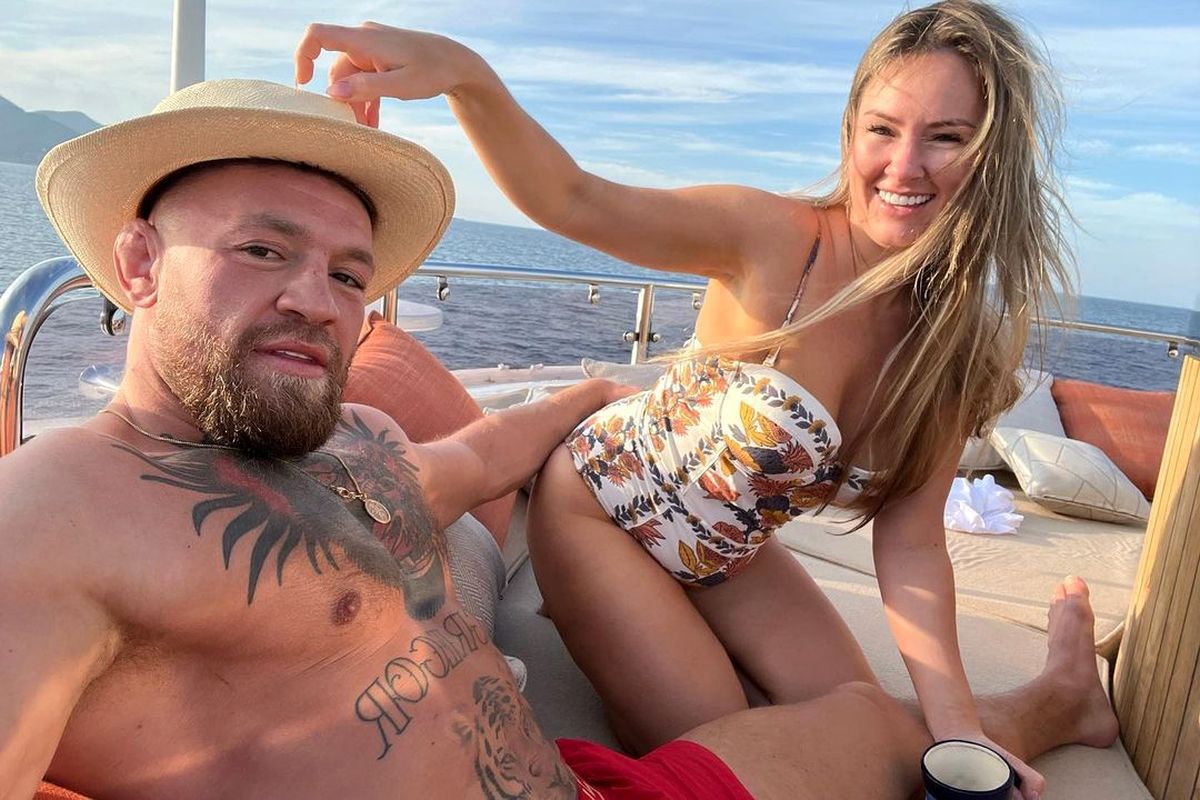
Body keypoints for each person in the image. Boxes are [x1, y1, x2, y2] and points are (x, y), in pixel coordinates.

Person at [1, 74, 960, 800]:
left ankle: (1034, 712)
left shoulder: (362, 441)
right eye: (262, 249)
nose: (316, 301)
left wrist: (604, 396)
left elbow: (484, 456)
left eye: (348, 275)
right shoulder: (57, 510)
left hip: (585, 783)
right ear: (139, 262)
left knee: (873, 722)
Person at [293, 2, 1120, 797]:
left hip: (728, 555)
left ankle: (1064, 698)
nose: (904, 167)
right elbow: (574, 199)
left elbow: (910, 545)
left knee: (867, 724)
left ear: (993, 156)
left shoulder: (949, 345)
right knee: (765, 760)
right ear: (850, 132)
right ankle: (1055, 701)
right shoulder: (774, 239)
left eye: (947, 137)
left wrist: (958, 727)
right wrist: (465, 74)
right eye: (883, 129)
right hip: (601, 513)